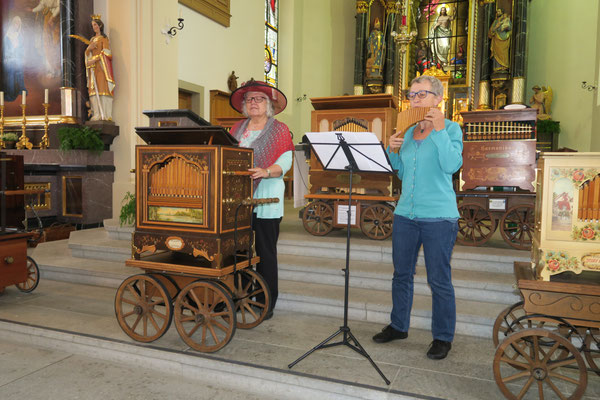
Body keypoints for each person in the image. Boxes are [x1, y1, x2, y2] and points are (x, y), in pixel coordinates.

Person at [372, 75, 463, 360]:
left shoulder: (451, 129)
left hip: (438, 216)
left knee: (439, 280)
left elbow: (452, 165)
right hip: (405, 215)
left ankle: (442, 337)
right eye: (412, 95)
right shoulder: (408, 131)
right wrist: (392, 150)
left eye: (422, 94)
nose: (415, 100)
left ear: (438, 98)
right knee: (401, 275)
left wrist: (437, 130)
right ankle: (399, 326)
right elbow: (401, 172)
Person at [229, 79, 295, 320]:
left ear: (268, 104)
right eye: (249, 99)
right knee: (238, 252)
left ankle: (265, 302)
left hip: (266, 199)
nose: (253, 103)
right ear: (244, 106)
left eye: (259, 99)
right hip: (237, 200)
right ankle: (239, 296)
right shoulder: (236, 129)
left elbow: (285, 163)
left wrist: (266, 171)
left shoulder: (279, 129)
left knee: (265, 253)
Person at [85, 18, 115, 121]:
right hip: (93, 69)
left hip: (102, 68)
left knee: (102, 89)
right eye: (93, 25)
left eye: (96, 25)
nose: (94, 27)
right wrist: (89, 49)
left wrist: (95, 59)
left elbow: (107, 53)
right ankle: (96, 114)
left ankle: (104, 114)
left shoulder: (104, 39)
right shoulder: (92, 40)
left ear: (100, 26)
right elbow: (87, 53)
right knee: (93, 90)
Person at [3, 16, 26, 102]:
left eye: (18, 24)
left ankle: (21, 89)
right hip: (8, 59)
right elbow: (6, 50)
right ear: (13, 24)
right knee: (11, 70)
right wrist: (13, 51)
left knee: (20, 67)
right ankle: (10, 93)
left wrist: (18, 53)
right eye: (15, 23)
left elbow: (21, 48)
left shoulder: (19, 35)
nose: (17, 25)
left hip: (16, 58)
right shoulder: (7, 35)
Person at [488, 8, 512, 72]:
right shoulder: (496, 21)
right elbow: (490, 32)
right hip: (496, 40)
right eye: (497, 12)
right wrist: (496, 26)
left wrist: (505, 27)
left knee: (503, 53)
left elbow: (510, 28)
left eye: (499, 11)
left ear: (502, 12)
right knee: (496, 54)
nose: (497, 13)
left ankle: (504, 66)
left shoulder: (506, 19)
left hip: (504, 39)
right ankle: (497, 68)